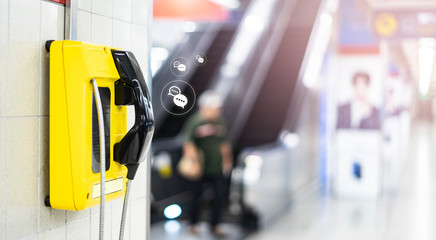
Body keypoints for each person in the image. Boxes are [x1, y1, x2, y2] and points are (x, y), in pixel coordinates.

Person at [181, 90, 233, 236]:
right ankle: (192, 223)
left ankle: (214, 225)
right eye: (214, 108)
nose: (217, 111)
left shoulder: (219, 122)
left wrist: (227, 161)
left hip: (215, 167)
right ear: (205, 107)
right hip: (200, 167)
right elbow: (188, 143)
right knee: (195, 196)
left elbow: (224, 144)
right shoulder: (195, 122)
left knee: (219, 195)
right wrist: (193, 161)